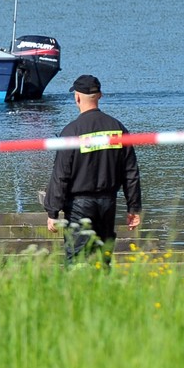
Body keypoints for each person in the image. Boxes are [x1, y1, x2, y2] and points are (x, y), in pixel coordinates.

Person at [43, 74, 143, 264]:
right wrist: (133, 208)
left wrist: (52, 212)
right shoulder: (117, 129)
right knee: (102, 259)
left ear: (77, 98)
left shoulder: (72, 132)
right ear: (100, 95)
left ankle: (76, 293)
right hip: (108, 204)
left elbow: (61, 175)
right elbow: (130, 173)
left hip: (79, 206)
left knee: (77, 260)